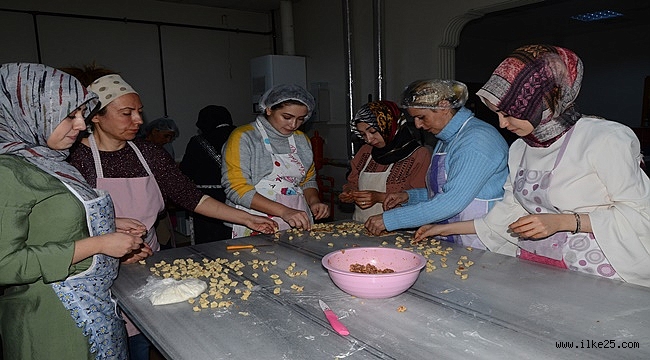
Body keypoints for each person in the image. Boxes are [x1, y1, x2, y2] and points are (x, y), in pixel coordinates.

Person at [66, 71, 277, 359]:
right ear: (96, 117)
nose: (138, 120)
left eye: (139, 112)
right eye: (126, 113)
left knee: (141, 339)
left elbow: (192, 197)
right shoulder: (73, 159)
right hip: (92, 268)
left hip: (144, 261)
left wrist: (246, 218)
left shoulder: (148, 154)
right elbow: (65, 220)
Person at [414, 45, 650, 287]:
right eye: (497, 113)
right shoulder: (520, 149)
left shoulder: (604, 139)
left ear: (543, 100)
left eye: (509, 113)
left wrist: (564, 222)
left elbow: (641, 215)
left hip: (596, 274)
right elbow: (508, 214)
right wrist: (444, 229)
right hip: (537, 267)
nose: (502, 124)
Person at [0, 63, 145, 359]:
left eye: (82, 115)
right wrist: (100, 243)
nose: (81, 126)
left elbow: (47, 219)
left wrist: (107, 224)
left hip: (96, 305)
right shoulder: (9, 171)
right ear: (30, 112)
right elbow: (5, 264)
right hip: (54, 319)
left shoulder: (49, 160)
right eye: (70, 116)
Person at [364, 79, 509, 249]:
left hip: (483, 242)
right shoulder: (446, 139)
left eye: (421, 117)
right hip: (455, 239)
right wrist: (409, 197)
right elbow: (444, 191)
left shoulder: (476, 139)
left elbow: (451, 202)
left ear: (444, 106)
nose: (417, 125)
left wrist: (389, 220)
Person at [222, 84, 330, 237]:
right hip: (254, 220)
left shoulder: (301, 140)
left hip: (297, 220)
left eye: (300, 119)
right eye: (287, 117)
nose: (293, 125)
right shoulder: (244, 137)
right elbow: (236, 188)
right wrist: (284, 211)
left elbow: (307, 179)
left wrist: (314, 201)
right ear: (268, 109)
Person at [339, 100, 431, 222]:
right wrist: (349, 192)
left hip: (400, 229)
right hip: (361, 226)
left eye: (372, 131)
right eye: (363, 134)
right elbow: (353, 182)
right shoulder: (366, 152)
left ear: (390, 126)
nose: (369, 139)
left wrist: (379, 197)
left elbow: (422, 198)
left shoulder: (419, 155)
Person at [180, 105, 236, 243]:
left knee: (208, 242)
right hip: (238, 196)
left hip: (206, 200)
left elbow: (186, 171)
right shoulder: (243, 136)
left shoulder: (198, 141)